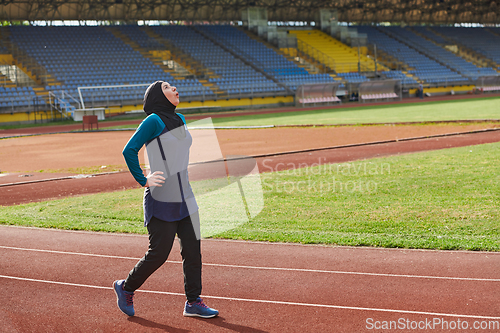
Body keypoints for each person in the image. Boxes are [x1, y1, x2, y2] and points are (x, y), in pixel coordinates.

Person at [113, 80, 218, 319]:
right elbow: (129, 150)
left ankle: (193, 302)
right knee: (159, 253)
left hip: (185, 195)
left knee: (193, 252)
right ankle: (126, 288)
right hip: (161, 197)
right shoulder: (153, 121)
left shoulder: (179, 119)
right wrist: (144, 179)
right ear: (157, 96)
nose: (174, 89)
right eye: (168, 87)